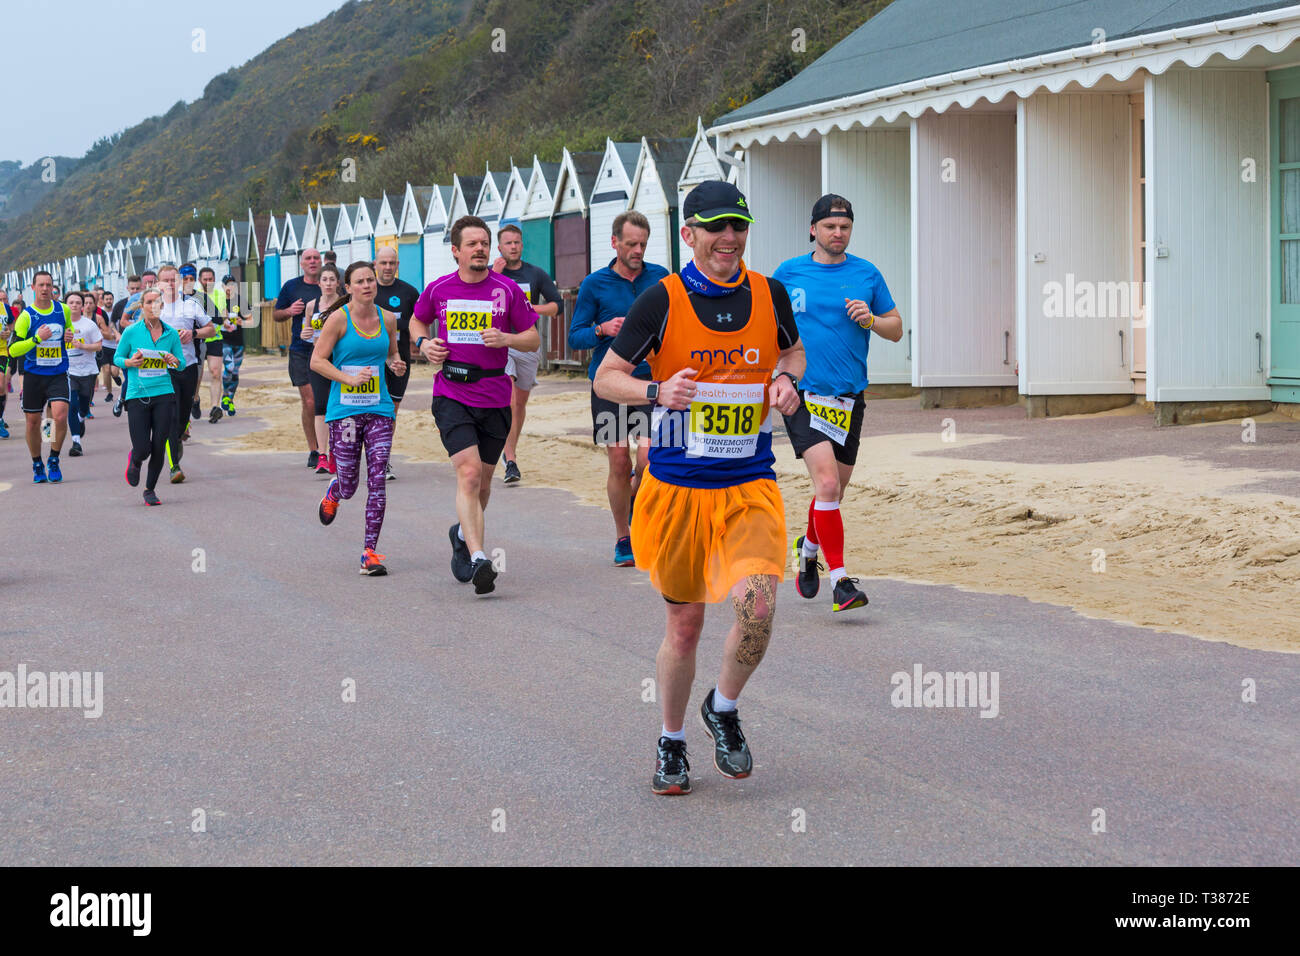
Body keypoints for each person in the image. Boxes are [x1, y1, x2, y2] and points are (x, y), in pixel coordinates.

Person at [593, 181, 804, 796]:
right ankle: (672, 739)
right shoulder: (660, 300)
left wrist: (788, 382)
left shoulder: (770, 293)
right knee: (685, 626)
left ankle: (726, 708)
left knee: (758, 608)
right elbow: (609, 379)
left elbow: (794, 354)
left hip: (749, 483)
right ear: (689, 234)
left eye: (739, 225)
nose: (730, 238)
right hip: (678, 487)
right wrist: (657, 392)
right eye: (716, 227)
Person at [774, 194, 904, 613]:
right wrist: (777, 378)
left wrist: (871, 320)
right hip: (803, 395)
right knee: (826, 484)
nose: (838, 234)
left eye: (845, 227)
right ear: (813, 229)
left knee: (834, 492)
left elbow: (896, 329)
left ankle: (808, 549)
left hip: (848, 398)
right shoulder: (787, 273)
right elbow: (766, 329)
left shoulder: (867, 274)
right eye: (830, 226)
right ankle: (841, 581)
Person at [411, 215, 540, 595]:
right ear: (456, 251)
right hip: (451, 391)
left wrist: (507, 338)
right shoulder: (439, 289)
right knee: (468, 475)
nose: (480, 248)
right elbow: (417, 324)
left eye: (485, 242)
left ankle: (461, 535)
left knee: (483, 483)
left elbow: (532, 339)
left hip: (496, 395)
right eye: (472, 243)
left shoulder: (507, 290)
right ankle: (480, 557)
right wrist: (423, 345)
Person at [569, 211, 670, 566]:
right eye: (631, 244)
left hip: (650, 384)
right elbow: (574, 336)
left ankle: (634, 509)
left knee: (647, 460)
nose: (638, 250)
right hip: (610, 386)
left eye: (643, 244)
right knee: (618, 460)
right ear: (614, 243)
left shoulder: (661, 280)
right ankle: (623, 537)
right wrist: (602, 330)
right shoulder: (595, 284)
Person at [312, 261, 406, 575]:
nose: (367, 285)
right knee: (351, 483)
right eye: (360, 281)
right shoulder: (338, 321)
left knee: (378, 478)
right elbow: (317, 361)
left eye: (370, 280)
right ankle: (335, 491)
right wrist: (346, 378)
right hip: (347, 413)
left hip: (379, 409)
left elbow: (392, 352)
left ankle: (370, 553)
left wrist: (395, 363)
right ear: (348, 287)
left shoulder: (388, 318)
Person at [492, 224, 561, 485]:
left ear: (522, 245)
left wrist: (532, 309)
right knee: (509, 399)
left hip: (527, 343)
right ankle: (510, 459)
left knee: (519, 405)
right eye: (508, 243)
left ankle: (510, 449)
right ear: (499, 247)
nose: (512, 247)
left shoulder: (535, 273)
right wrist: (494, 274)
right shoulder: (490, 274)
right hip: (500, 343)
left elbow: (557, 306)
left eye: (516, 243)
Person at [115, 289, 184, 505]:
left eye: (157, 302)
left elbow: (181, 364)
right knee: (143, 447)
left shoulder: (171, 334)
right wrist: (129, 362)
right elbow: (117, 357)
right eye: (149, 302)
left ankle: (149, 490)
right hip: (137, 395)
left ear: (162, 306)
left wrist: (173, 360)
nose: (153, 305)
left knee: (158, 445)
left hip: (164, 393)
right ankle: (135, 460)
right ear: (142, 306)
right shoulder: (131, 332)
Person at [7, 270, 74, 483]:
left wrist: (69, 337)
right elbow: (14, 350)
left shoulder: (63, 310)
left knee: (60, 415)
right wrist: (36, 338)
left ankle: (53, 459)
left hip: (57, 373)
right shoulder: (26, 316)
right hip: (34, 375)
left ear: (53, 287)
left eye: (49, 285)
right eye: (41, 285)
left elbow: (69, 336)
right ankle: (37, 462)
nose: (45, 289)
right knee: (34, 422)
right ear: (33, 287)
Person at [156, 264, 215, 483]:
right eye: (166, 280)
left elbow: (212, 329)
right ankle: (174, 466)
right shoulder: (154, 308)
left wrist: (194, 333)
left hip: (187, 367)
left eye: (174, 280)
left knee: (182, 417)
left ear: (180, 282)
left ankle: (178, 438)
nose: (170, 284)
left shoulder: (191, 306)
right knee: (170, 417)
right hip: (163, 371)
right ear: (159, 284)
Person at [372, 245, 420, 480]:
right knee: (371, 409)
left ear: (397, 265)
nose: (388, 267)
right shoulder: (365, 291)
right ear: (375, 265)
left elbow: (420, 322)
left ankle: (383, 459)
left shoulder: (409, 293)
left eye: (392, 263)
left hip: (399, 360)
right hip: (369, 360)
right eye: (384, 263)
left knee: (391, 410)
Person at [273, 248, 324, 468]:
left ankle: (327, 449)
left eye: (316, 258)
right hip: (300, 351)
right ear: (301, 263)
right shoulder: (291, 287)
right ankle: (314, 449)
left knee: (326, 402)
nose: (312, 262)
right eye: (308, 259)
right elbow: (276, 315)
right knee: (310, 401)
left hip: (327, 352)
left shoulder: (330, 284)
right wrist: (289, 311)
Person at [303, 264, 344, 475]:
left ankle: (337, 454)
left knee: (337, 406)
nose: (328, 283)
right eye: (324, 279)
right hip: (318, 359)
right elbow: (306, 332)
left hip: (339, 360)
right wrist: (305, 333)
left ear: (338, 282)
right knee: (320, 406)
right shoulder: (312, 305)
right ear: (318, 282)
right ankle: (322, 455)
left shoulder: (345, 304)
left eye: (331, 279)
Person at [63, 291, 103, 457]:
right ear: (66, 304)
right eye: (71, 302)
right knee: (72, 405)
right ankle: (76, 442)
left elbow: (99, 346)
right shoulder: (61, 325)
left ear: (82, 305)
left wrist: (82, 346)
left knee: (84, 405)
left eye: (78, 302)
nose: (74, 305)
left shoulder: (89, 325)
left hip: (88, 371)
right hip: (68, 371)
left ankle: (81, 417)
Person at [195, 266, 228, 423]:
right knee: (197, 375)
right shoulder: (194, 296)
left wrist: (226, 321)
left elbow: (223, 315)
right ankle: (195, 399)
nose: (208, 282)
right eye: (205, 279)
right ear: (200, 281)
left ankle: (215, 407)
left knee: (215, 373)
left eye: (211, 279)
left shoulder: (220, 294)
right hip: (198, 339)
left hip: (215, 338)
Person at [219, 276, 253, 416]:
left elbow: (251, 321)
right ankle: (225, 396)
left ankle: (229, 399)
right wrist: (222, 318)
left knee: (235, 372)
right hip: (224, 340)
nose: (230, 287)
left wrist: (242, 322)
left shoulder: (241, 301)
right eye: (227, 285)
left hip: (238, 342)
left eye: (232, 284)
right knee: (229, 367)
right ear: (222, 286)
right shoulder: (219, 301)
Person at [0, 289, 13, 438]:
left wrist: (8, 333)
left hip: (2, 352)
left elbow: (11, 327)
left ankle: (0, 419)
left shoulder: (5, 308)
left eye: (5, 298)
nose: (3, 301)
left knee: (1, 384)